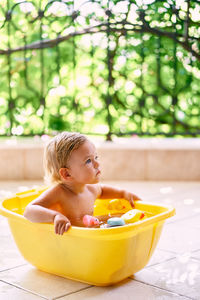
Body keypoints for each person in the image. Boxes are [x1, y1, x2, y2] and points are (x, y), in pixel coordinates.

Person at [24, 132, 141, 235]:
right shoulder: (59, 193)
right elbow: (29, 210)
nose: (97, 164)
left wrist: (122, 193)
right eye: (88, 161)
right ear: (67, 174)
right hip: (71, 240)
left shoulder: (91, 188)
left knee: (118, 219)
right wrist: (55, 216)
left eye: (96, 157)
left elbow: (103, 190)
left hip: (89, 235)